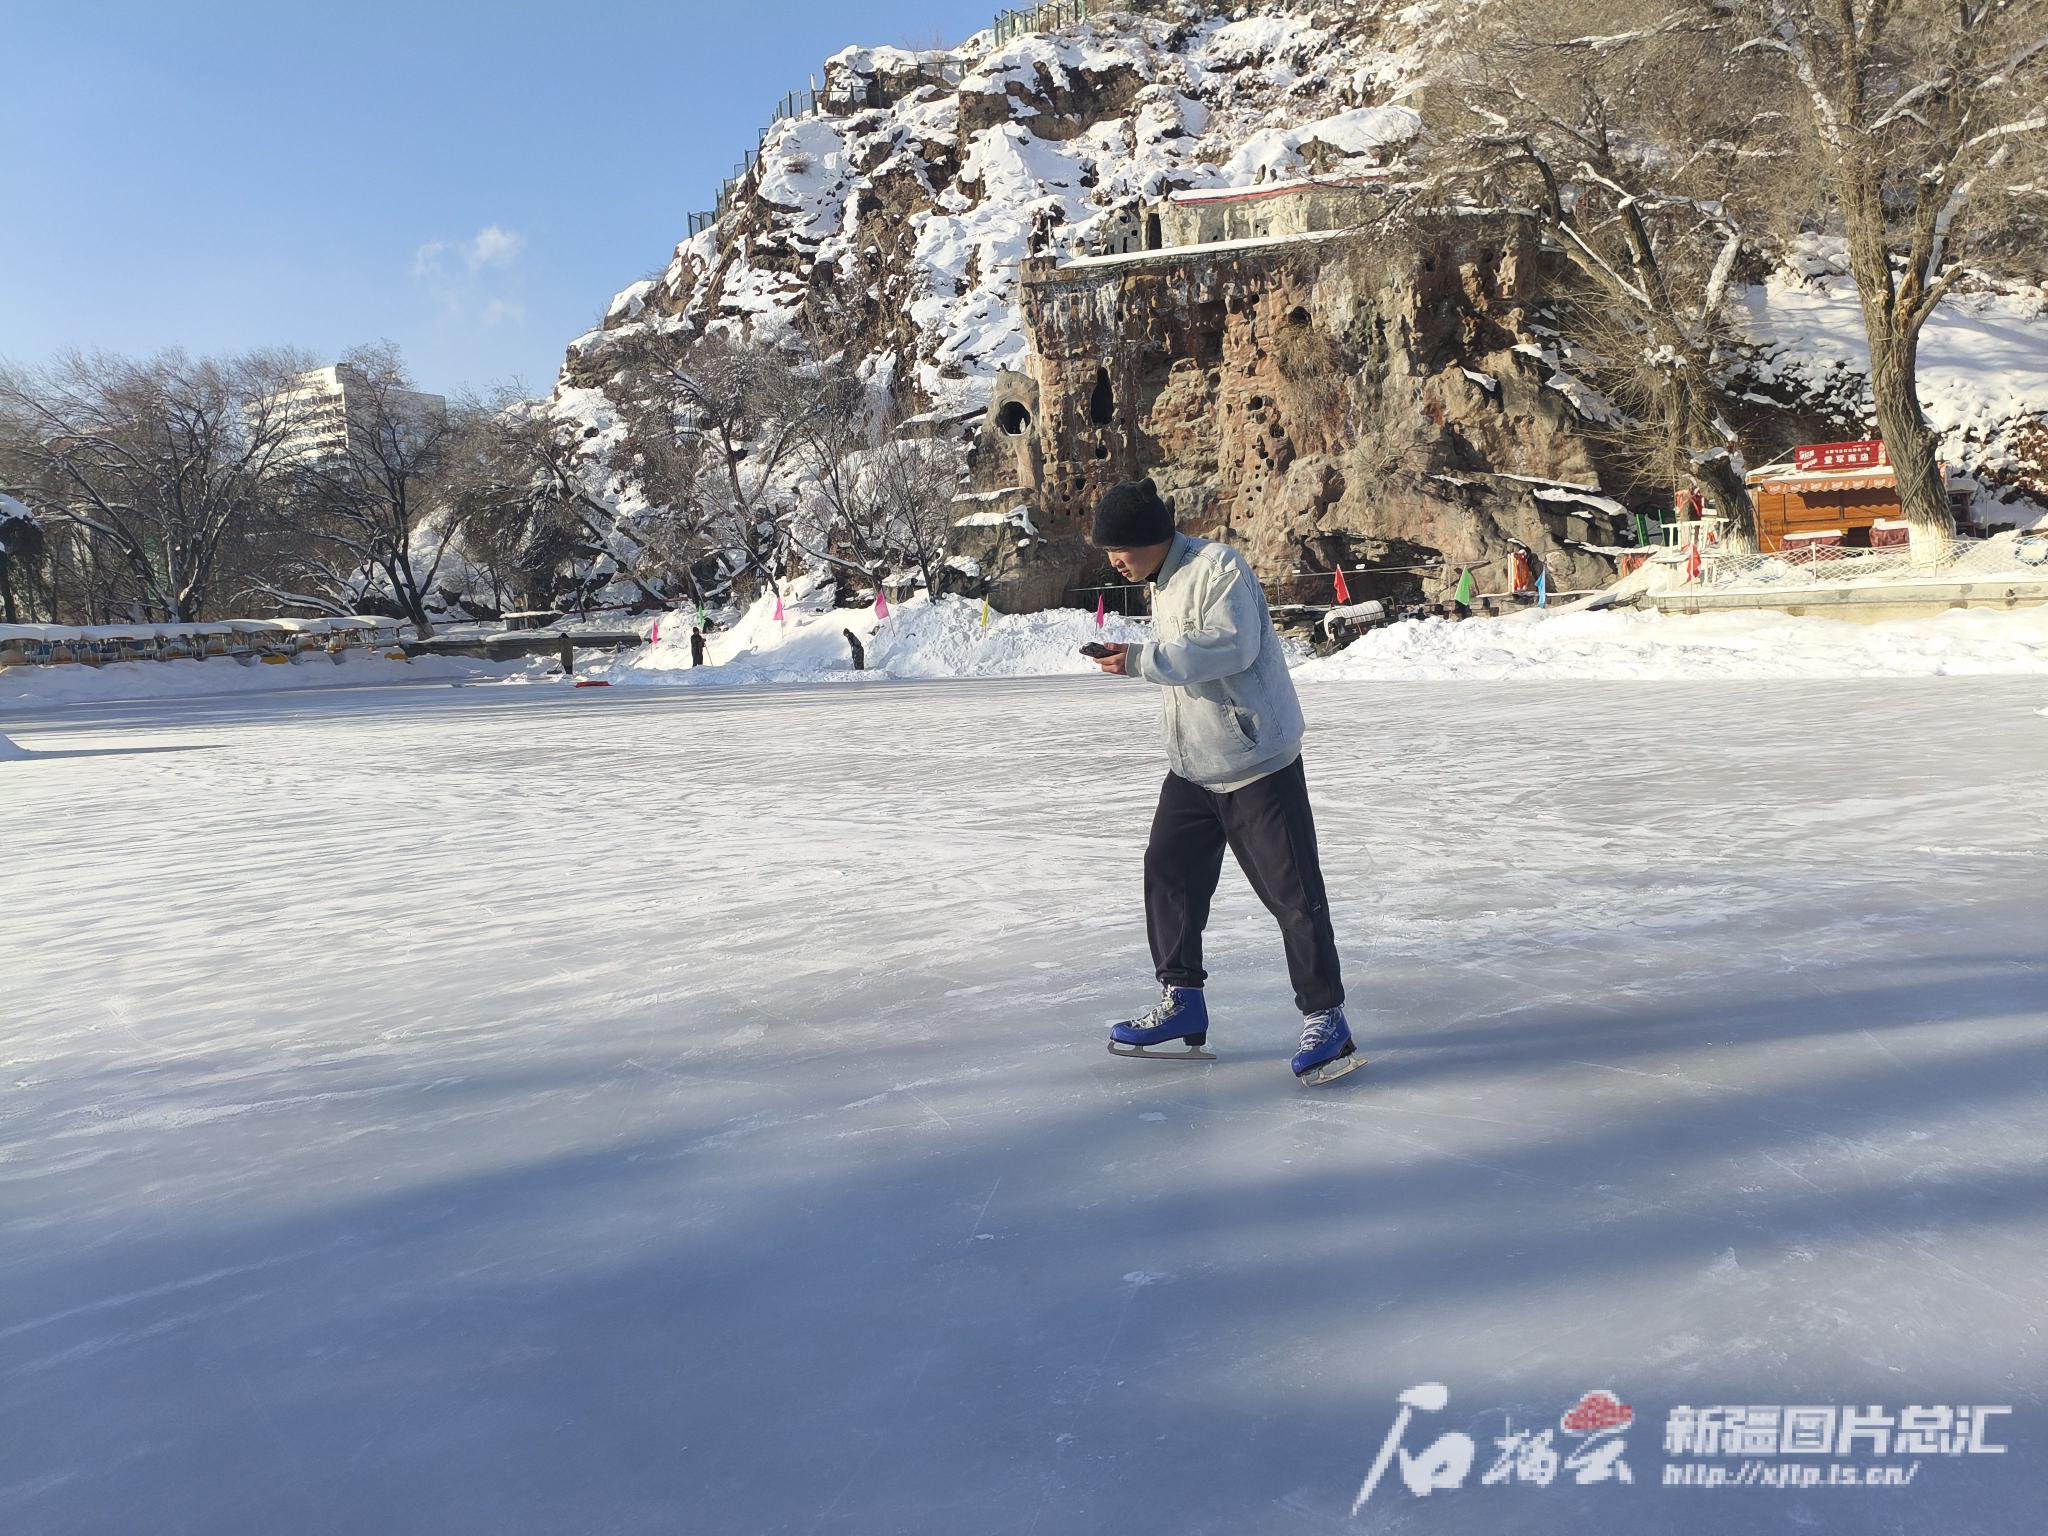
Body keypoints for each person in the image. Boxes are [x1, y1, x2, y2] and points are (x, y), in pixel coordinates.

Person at [1085, 477, 1359, 1086]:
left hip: (1257, 763)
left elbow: (1229, 649)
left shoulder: (1219, 569)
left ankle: (1326, 1017)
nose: (1112, 562)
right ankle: (1183, 1001)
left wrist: (1137, 660)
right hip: (1192, 769)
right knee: (1168, 873)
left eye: (1117, 550)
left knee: (1292, 896)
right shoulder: (1160, 581)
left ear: (1148, 538)